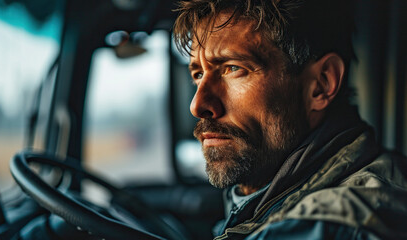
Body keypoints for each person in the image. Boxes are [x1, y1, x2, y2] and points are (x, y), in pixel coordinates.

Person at [173, 0, 407, 239]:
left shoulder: (334, 227)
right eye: (198, 74)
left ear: (321, 84)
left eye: (233, 68)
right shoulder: (266, 198)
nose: (197, 106)